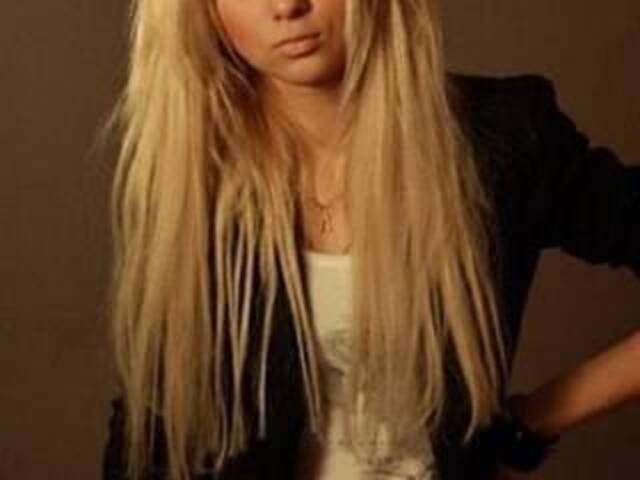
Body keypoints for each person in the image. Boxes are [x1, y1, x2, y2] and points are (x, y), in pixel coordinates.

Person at [100, 1, 640, 479]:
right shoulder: (194, 173)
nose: (286, 6)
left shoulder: (500, 139)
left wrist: (539, 416)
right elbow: (151, 426)